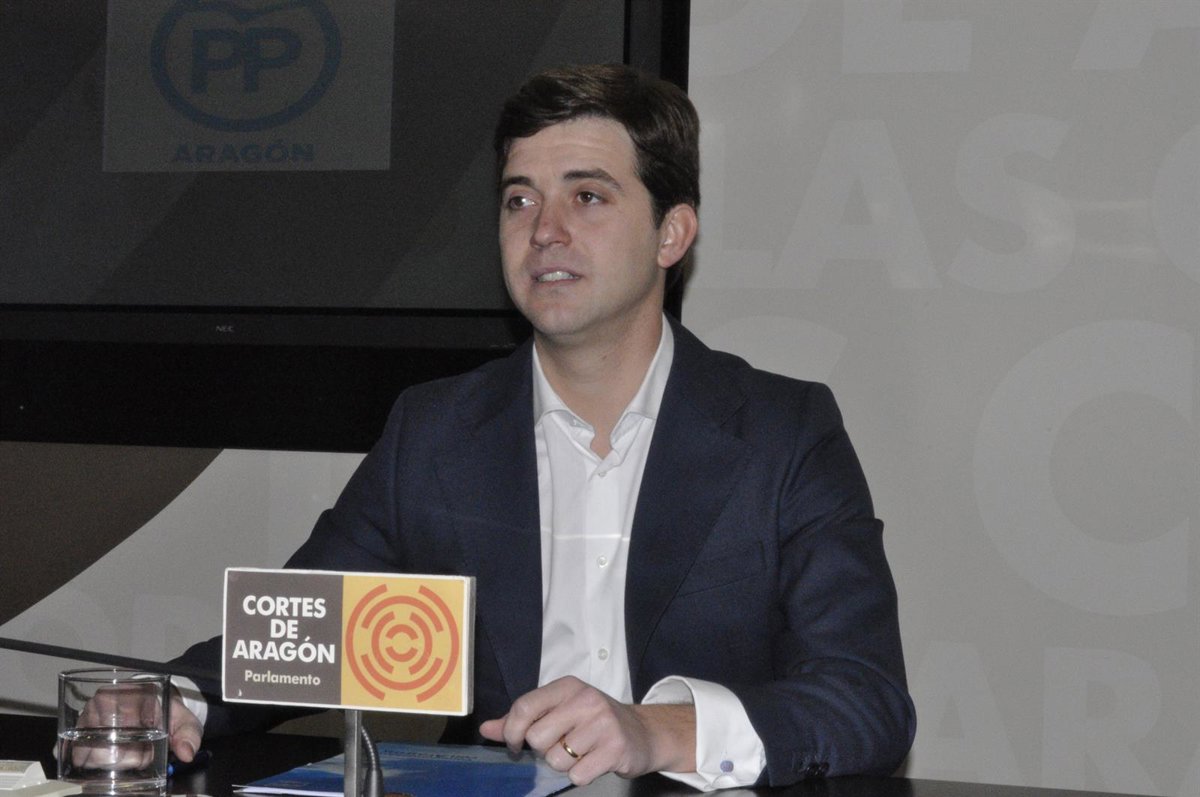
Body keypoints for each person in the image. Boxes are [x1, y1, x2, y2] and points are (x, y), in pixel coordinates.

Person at [167, 63, 916, 790]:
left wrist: (658, 730)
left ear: (671, 234)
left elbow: (866, 702)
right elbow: (297, 636)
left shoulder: (783, 434)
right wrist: (175, 700)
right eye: (519, 200)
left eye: (587, 196)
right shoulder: (435, 432)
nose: (545, 231)